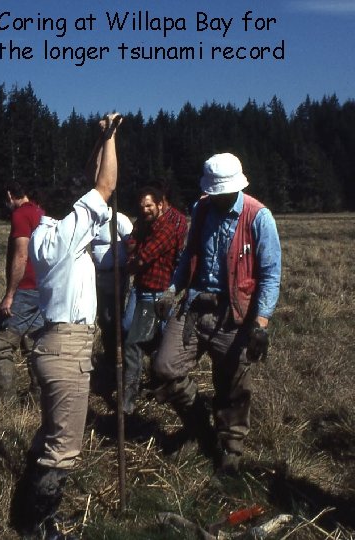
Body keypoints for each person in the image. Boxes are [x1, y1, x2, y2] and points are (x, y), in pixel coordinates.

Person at [12, 112, 122, 538]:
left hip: (51, 345)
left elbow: (92, 183)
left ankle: (30, 517)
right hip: (69, 348)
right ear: (74, 209)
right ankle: (38, 528)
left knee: (47, 437)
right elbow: (105, 186)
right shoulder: (68, 234)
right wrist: (112, 138)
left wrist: (98, 141)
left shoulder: (46, 232)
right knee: (63, 449)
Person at [152, 152, 281, 475]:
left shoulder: (258, 217)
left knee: (233, 386)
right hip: (196, 305)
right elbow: (189, 256)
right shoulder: (201, 208)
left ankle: (231, 447)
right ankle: (200, 426)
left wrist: (260, 323)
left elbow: (270, 273)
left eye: (223, 193)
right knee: (165, 367)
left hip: (234, 313)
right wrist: (172, 289)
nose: (218, 198)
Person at [121, 186, 187, 414]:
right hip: (140, 289)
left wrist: (132, 259)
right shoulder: (142, 224)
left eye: (149, 205)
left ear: (160, 205)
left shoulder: (167, 229)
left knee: (134, 342)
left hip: (156, 293)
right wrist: (134, 252)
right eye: (142, 206)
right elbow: (131, 244)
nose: (145, 210)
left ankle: (130, 397)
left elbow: (143, 257)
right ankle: (158, 381)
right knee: (132, 331)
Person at [0, 181, 45, 400]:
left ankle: (5, 400)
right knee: (33, 343)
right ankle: (39, 394)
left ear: (10, 195)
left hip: (26, 288)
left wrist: (10, 294)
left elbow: (21, 254)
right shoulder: (40, 212)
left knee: (0, 345)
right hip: (41, 288)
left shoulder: (20, 215)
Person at [91, 208, 132, 397]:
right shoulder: (93, 222)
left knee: (116, 319)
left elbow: (132, 244)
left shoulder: (119, 219)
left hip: (117, 275)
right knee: (104, 319)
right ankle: (110, 358)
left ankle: (122, 362)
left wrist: (127, 268)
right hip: (99, 276)